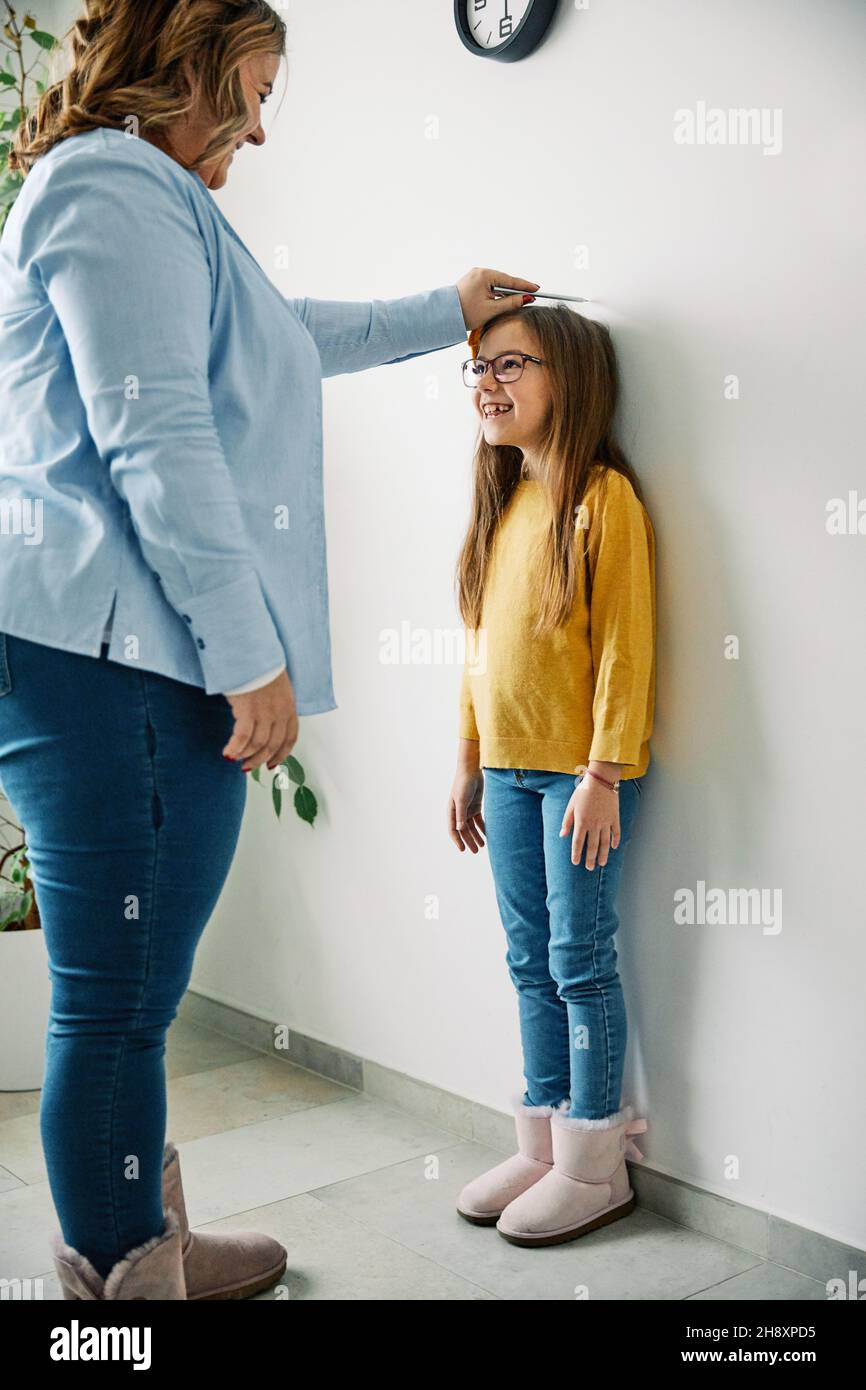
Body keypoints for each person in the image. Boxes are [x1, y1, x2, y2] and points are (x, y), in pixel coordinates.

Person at [0, 0, 538, 1300]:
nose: (257, 122)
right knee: (119, 994)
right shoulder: (111, 188)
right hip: (112, 661)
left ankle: (137, 1243)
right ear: (189, 60)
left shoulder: (140, 198)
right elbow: (158, 440)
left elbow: (277, 339)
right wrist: (252, 656)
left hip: (106, 656)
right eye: (252, 86)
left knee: (131, 988)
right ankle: (126, 1290)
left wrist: (443, 307)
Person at [447, 305, 655, 1247]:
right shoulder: (502, 504)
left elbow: (624, 647)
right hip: (505, 770)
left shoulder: (603, 498)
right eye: (478, 368)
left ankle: (593, 1166)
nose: (487, 383)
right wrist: (465, 761)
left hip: (578, 777)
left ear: (567, 379)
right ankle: (539, 1142)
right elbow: (479, 653)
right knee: (528, 960)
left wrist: (606, 773)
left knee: (579, 961)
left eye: (510, 364)